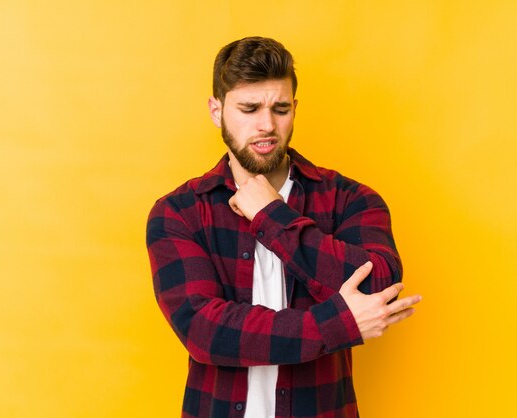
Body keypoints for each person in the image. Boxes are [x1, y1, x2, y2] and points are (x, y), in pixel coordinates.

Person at [146, 36, 422, 418]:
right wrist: (337, 324)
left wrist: (272, 216)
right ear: (216, 110)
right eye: (249, 108)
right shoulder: (180, 213)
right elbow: (205, 332)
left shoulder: (349, 200)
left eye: (280, 109)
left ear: (295, 109)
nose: (266, 125)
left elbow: (380, 287)